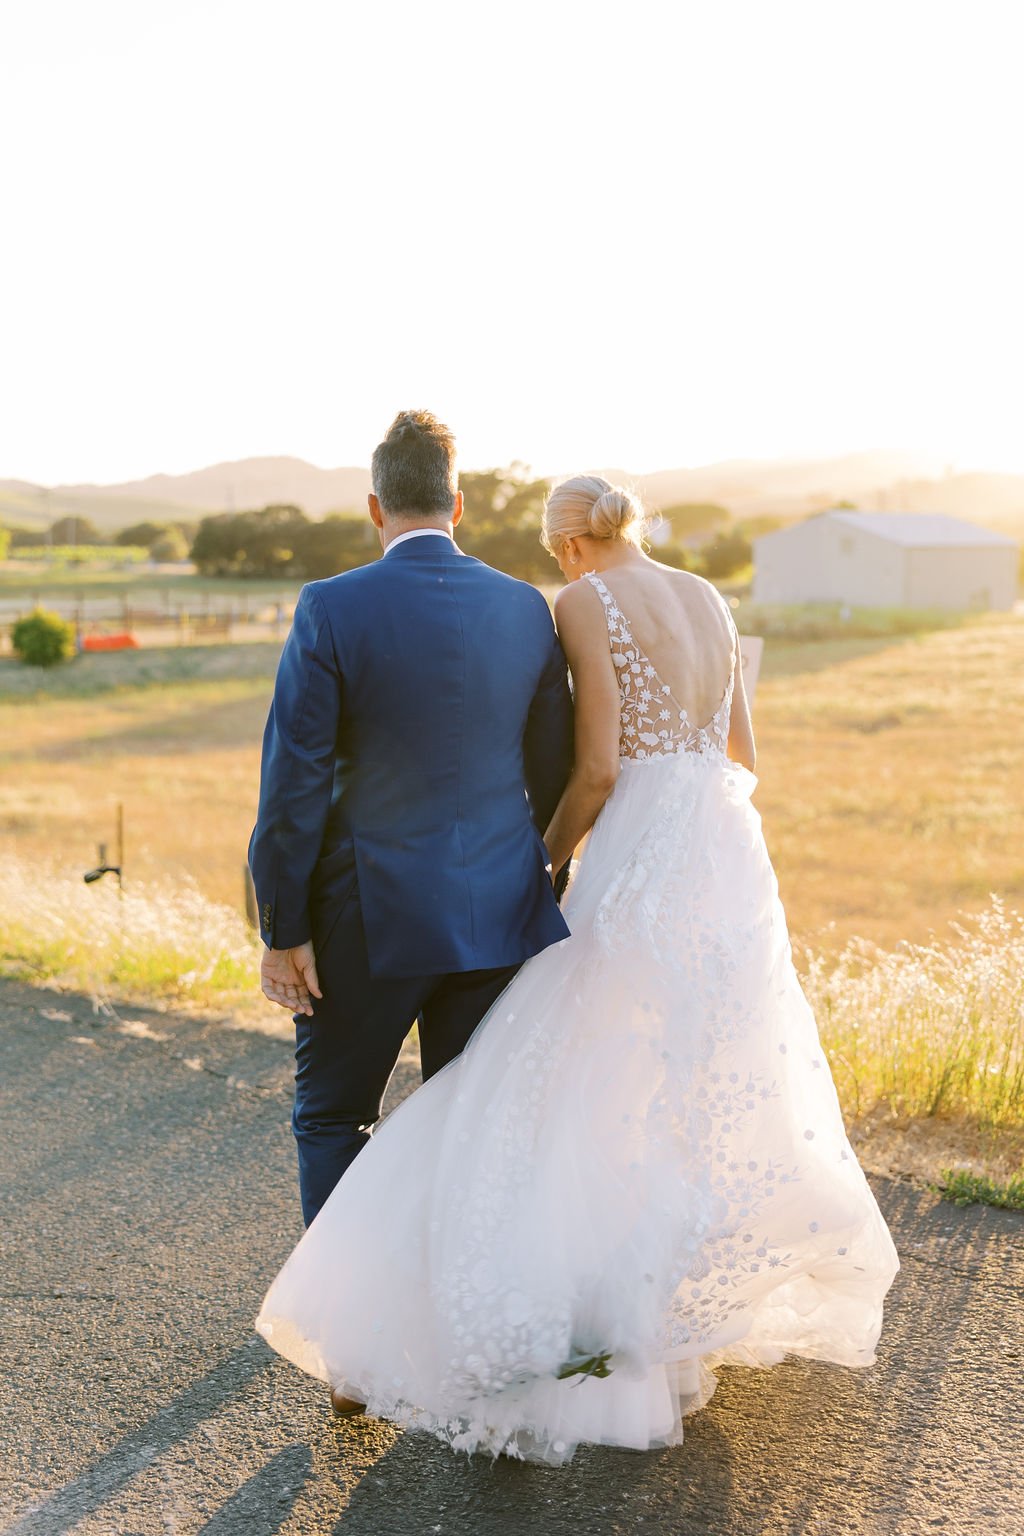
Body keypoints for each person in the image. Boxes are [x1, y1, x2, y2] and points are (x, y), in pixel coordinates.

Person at [255, 474, 899, 1463]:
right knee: (688, 1078)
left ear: (565, 544)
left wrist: (548, 860)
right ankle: (656, 1305)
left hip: (624, 850)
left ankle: (410, 1329)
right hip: (723, 852)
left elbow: (591, 769)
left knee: (539, 1083)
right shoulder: (709, 596)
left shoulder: (579, 601)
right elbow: (741, 750)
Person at [248, 409, 574, 1248]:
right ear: (458, 505)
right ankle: (464, 1323)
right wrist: (536, 884)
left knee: (334, 1118)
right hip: (501, 911)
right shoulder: (525, 608)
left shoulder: (330, 606)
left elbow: (293, 784)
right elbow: (556, 774)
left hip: (366, 915)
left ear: (374, 506)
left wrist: (284, 927)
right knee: (472, 1128)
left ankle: (351, 1360)